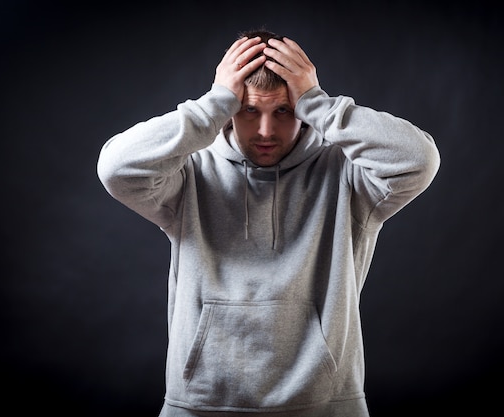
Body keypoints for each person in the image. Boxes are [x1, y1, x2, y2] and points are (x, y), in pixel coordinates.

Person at [97, 29, 440, 417]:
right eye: (248, 110)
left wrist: (318, 104)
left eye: (283, 111)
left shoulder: (347, 174)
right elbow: (116, 169)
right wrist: (212, 105)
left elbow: (419, 160)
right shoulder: (189, 174)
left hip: (326, 405)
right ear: (229, 109)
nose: (265, 131)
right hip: (199, 404)